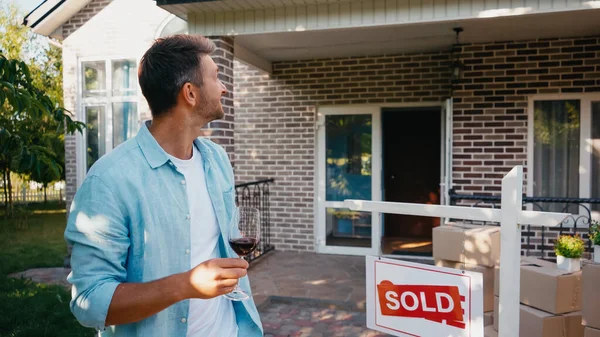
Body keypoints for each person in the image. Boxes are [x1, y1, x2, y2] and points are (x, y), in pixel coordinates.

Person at [65, 34, 263, 337]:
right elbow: (89, 302)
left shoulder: (217, 160)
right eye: (216, 77)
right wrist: (186, 285)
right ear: (190, 93)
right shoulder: (109, 180)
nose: (224, 88)